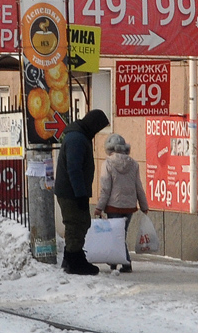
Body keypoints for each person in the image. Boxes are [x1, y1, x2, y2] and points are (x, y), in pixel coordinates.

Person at [54, 109, 110, 275]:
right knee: (75, 224)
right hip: (71, 193)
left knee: (80, 223)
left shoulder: (78, 136)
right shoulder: (77, 139)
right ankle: (74, 261)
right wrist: (80, 194)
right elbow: (74, 169)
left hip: (73, 191)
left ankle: (72, 257)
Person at [96, 133, 149, 272]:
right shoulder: (134, 164)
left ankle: (124, 262)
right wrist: (144, 205)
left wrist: (99, 207)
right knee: (121, 233)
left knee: (116, 235)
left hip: (113, 205)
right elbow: (138, 186)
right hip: (130, 206)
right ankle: (116, 262)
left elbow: (105, 189)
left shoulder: (107, 163)